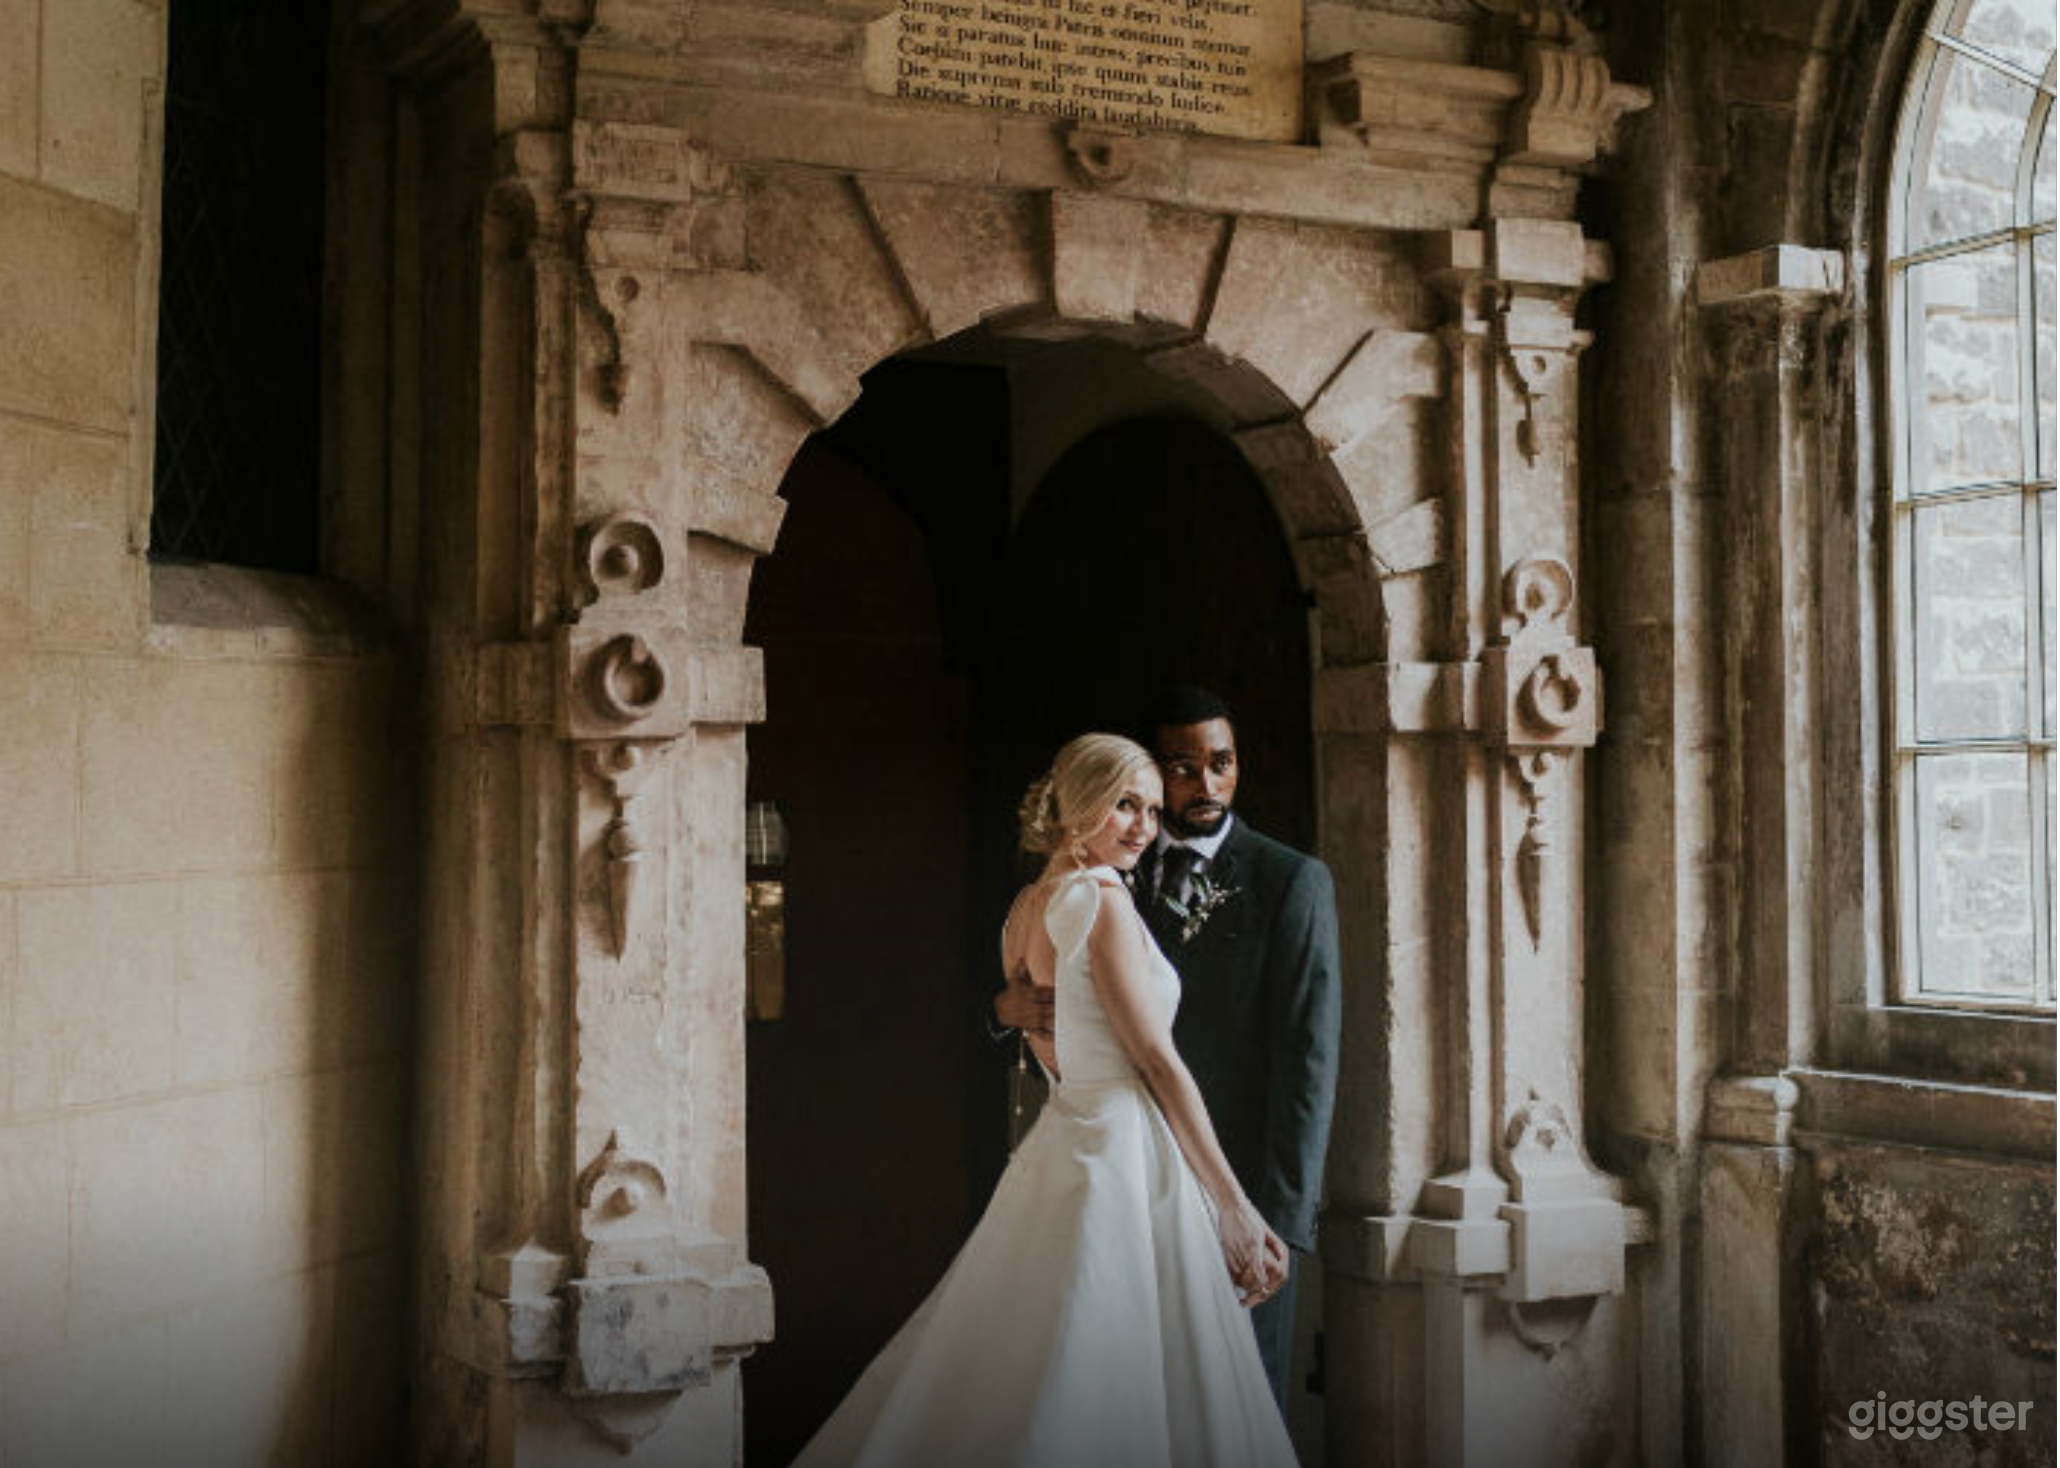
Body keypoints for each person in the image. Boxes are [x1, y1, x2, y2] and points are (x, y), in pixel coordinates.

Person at [791, 733, 1301, 1468]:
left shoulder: (1024, 909)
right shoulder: (1102, 900)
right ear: (1079, 801)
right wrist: (1233, 1204)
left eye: (1151, 810)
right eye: (1124, 805)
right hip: (1124, 1149)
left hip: (1065, 1132)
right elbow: (1155, 1059)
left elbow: (1048, 1043)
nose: (1143, 827)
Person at [999, 687, 1341, 1407]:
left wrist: (1272, 1216)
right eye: (1182, 770)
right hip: (1130, 1173)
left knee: (1229, 1402)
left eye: (1223, 763)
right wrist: (1005, 1012)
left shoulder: (1289, 881)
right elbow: (1076, 1009)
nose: (1206, 785)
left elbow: (1308, 1061)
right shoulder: (1109, 879)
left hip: (1234, 1179)